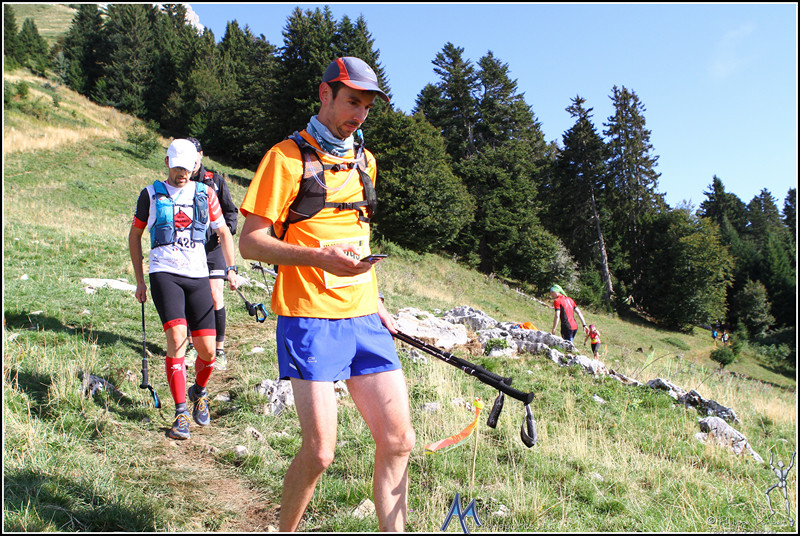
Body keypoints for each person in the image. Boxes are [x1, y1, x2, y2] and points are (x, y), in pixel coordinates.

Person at [238, 56, 415, 532]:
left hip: (365, 318)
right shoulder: (285, 158)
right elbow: (250, 242)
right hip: (309, 319)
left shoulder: (365, 161)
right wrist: (319, 258)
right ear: (325, 94)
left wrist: (376, 300)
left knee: (399, 441)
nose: (360, 114)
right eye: (352, 102)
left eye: (367, 107)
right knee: (320, 453)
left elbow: (359, 238)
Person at [128, 138, 240, 441]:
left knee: (208, 351)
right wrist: (140, 280)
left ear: (195, 166)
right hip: (164, 273)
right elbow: (135, 235)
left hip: (198, 274)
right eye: (177, 167)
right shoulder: (150, 195)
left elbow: (223, 231)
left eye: (188, 168)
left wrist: (231, 269)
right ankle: (180, 414)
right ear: (167, 163)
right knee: (177, 338)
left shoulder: (206, 193)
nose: (182, 174)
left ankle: (198, 391)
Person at [184, 137, 239, 371]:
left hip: (214, 248)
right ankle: (190, 346)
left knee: (216, 295)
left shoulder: (215, 180)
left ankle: (219, 350)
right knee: (189, 297)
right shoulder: (181, 180)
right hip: (189, 248)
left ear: (201, 155)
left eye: (194, 154)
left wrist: (226, 231)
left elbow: (231, 212)